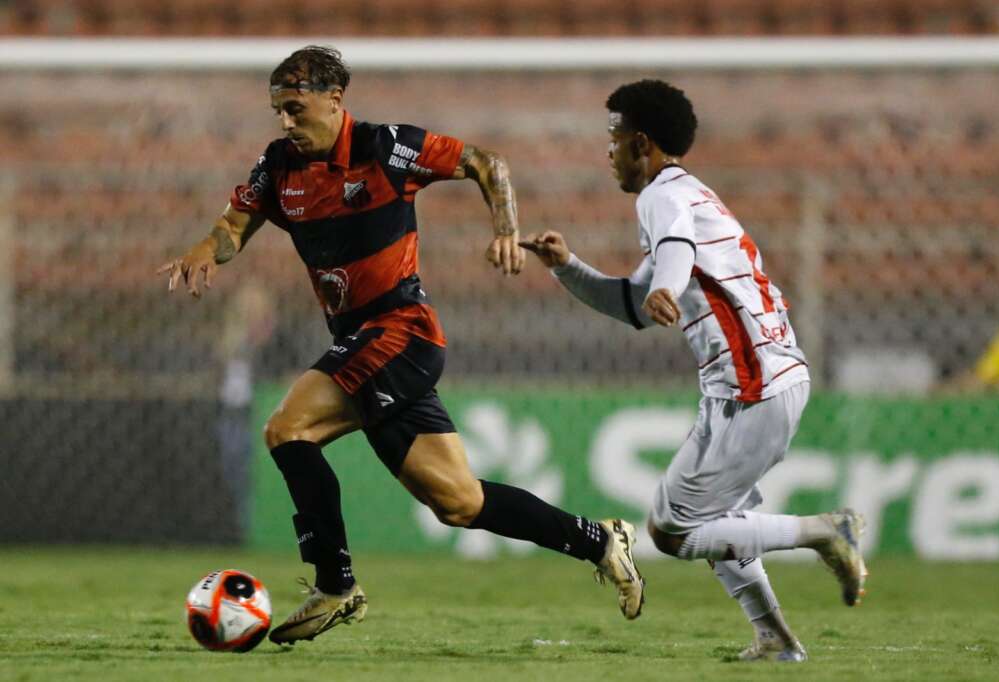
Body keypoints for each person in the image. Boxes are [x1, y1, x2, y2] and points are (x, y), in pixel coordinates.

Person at [158, 46, 643, 645]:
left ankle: (335, 584)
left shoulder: (386, 148)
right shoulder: (278, 165)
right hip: (362, 344)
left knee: (288, 429)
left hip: (400, 331)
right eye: (277, 111)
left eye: (294, 108)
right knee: (459, 504)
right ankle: (600, 540)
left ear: (334, 101)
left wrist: (506, 232)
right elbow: (234, 225)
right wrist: (207, 249)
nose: (284, 122)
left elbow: (486, 162)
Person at [521, 79, 867, 663]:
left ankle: (825, 532)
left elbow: (675, 253)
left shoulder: (661, 197)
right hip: (746, 384)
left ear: (641, 143)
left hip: (755, 382)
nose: (607, 151)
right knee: (710, 521)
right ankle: (775, 639)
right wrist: (568, 266)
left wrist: (667, 286)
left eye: (614, 138)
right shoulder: (687, 196)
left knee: (673, 531)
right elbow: (631, 305)